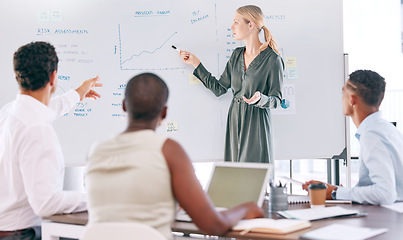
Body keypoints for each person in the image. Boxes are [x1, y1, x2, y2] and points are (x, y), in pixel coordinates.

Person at [86, 73, 263, 240]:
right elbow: (213, 224)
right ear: (164, 112)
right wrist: (247, 208)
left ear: (124, 105)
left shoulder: (96, 151)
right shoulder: (168, 149)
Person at [0, 41, 102, 239]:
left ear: (16, 76)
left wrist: (77, 94)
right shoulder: (36, 128)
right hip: (22, 234)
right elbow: (46, 203)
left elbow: (43, 110)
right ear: (54, 77)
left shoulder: (9, 113)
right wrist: (97, 198)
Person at [179, 5, 283, 163]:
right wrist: (196, 63)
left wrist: (260, 98)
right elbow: (219, 89)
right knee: (235, 171)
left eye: (236, 22)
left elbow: (276, 100)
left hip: (256, 124)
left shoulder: (272, 59)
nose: (231, 27)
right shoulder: (236, 56)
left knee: (253, 173)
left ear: (250, 25)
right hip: (234, 120)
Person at [302, 70, 403, 205]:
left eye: (343, 93)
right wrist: (338, 191)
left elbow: (385, 193)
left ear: (351, 99)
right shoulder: (387, 129)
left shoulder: (371, 135)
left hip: (390, 218)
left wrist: (335, 193)